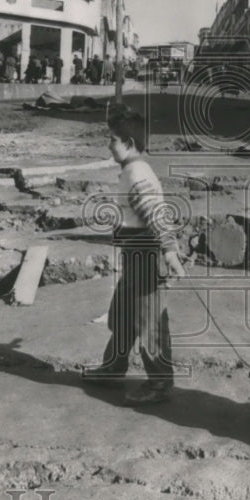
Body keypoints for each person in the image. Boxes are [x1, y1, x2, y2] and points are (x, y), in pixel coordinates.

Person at [80, 105, 186, 405]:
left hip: (146, 254)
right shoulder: (131, 170)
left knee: (148, 320)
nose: (109, 144)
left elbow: (156, 215)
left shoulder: (136, 172)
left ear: (128, 143)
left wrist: (170, 252)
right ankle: (114, 368)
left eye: (112, 139)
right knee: (124, 313)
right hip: (134, 253)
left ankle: (160, 383)